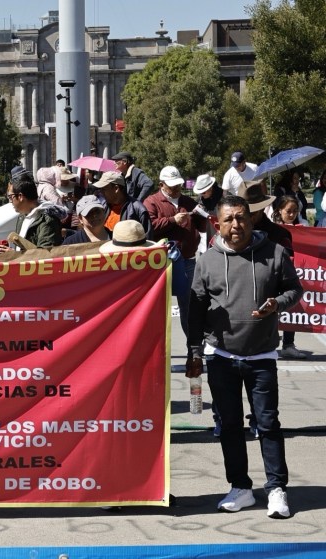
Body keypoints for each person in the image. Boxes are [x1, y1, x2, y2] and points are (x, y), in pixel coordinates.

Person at [186, 195, 302, 519]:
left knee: (267, 424)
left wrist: (277, 303)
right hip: (221, 356)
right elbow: (196, 310)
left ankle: (276, 488)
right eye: (229, 219)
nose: (236, 224)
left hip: (262, 355)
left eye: (242, 217)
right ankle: (240, 487)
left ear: (251, 220)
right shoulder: (207, 261)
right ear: (217, 224)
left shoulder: (274, 253)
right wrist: (194, 351)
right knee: (229, 425)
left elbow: (294, 289)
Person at [144, 165, 205, 336]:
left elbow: (202, 227)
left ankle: (193, 344)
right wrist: (172, 220)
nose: (177, 188)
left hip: (187, 260)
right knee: (158, 305)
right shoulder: (151, 202)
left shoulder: (188, 201)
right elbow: (150, 227)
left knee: (189, 305)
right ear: (161, 184)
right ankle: (157, 344)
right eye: (172, 186)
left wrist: (202, 215)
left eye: (178, 184)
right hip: (162, 262)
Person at [271, 195, 307, 360]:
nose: (292, 214)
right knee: (272, 308)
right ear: (279, 210)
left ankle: (288, 344)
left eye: (295, 211)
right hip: (274, 274)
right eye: (288, 211)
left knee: (291, 307)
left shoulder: (303, 227)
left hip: (294, 274)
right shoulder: (272, 228)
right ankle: (268, 343)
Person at [0, 170, 64, 252]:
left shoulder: (48, 220)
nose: (10, 201)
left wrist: (14, 254)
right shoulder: (22, 216)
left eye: (10, 197)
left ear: (20, 196)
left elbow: (45, 255)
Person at [92, 171, 152, 237]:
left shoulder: (138, 209)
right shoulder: (103, 206)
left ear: (116, 188)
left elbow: (147, 237)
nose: (101, 192)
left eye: (104, 189)